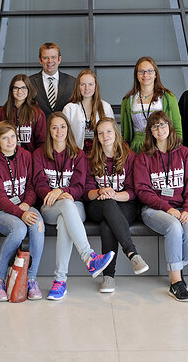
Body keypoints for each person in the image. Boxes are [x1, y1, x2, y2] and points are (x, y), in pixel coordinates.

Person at [33, 112, 115, 300]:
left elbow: (79, 187)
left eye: (62, 126)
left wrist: (60, 191)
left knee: (66, 216)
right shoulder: (39, 154)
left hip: (74, 206)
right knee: (65, 207)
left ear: (68, 129)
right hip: (49, 206)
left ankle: (60, 281)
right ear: (49, 131)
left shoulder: (78, 155)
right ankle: (89, 257)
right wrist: (55, 194)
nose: (59, 131)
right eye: (54, 127)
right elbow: (39, 185)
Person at [133, 111, 188, 302]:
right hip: (153, 210)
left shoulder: (185, 153)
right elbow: (143, 191)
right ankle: (176, 283)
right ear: (150, 132)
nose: (159, 129)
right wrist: (166, 207)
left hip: (182, 208)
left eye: (163, 125)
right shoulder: (143, 158)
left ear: (170, 127)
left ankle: (175, 266)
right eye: (154, 126)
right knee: (174, 227)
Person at [84, 117, 149, 293]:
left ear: (116, 133)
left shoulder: (129, 157)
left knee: (108, 226)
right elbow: (86, 192)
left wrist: (112, 194)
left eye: (109, 131)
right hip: (97, 206)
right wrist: (101, 192)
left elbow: (133, 191)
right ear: (96, 137)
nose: (105, 135)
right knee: (107, 204)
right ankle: (132, 254)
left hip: (124, 204)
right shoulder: (90, 158)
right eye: (101, 133)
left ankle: (108, 277)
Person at [0, 122, 45, 302]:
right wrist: (20, 213)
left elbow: (31, 186)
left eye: (12, 136)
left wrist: (27, 203)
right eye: (4, 138)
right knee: (19, 229)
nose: (10, 141)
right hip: (0, 210)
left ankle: (30, 279)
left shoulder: (26, 156)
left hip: (23, 205)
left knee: (38, 224)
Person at [121, 56, 182, 153]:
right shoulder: (128, 100)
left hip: (163, 147)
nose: (145, 75)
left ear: (155, 74)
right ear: (136, 75)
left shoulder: (168, 97)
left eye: (150, 71)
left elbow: (177, 129)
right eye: (141, 71)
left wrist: (174, 151)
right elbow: (125, 134)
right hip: (137, 148)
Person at [63, 69, 114, 153]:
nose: (87, 88)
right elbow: (64, 136)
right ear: (78, 86)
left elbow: (113, 133)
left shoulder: (105, 107)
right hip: (76, 155)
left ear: (95, 86)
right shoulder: (69, 109)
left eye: (90, 84)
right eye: (83, 84)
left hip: (100, 154)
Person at [0, 74, 46, 153]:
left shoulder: (37, 114)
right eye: (16, 88)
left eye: (23, 88)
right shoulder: (2, 112)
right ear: (11, 90)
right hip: (6, 160)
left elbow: (42, 143)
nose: (19, 91)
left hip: (29, 161)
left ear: (28, 90)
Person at [28, 42, 77, 116]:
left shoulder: (72, 82)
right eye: (45, 58)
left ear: (59, 59)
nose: (50, 61)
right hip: (38, 127)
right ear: (40, 60)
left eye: (53, 57)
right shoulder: (30, 82)